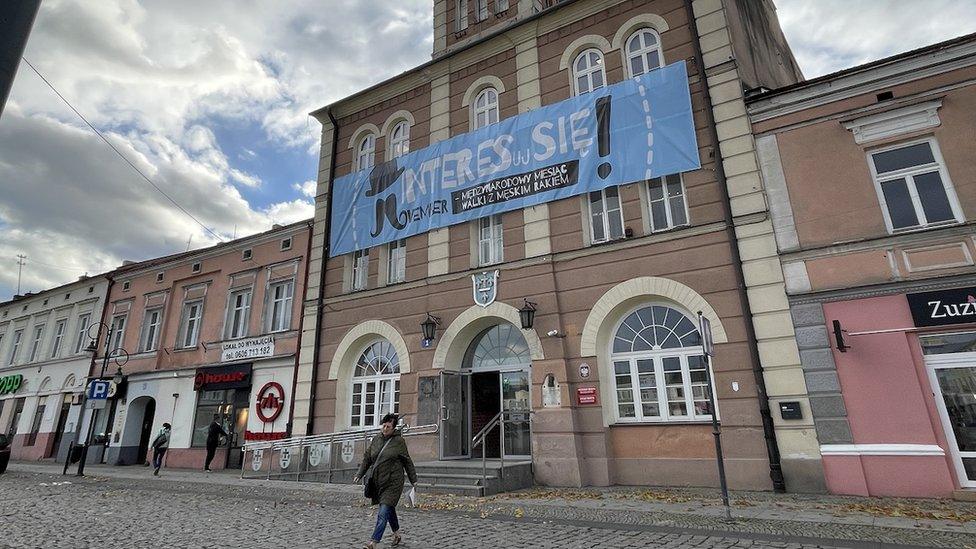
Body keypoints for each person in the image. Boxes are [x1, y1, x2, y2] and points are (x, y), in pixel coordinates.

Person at [353, 413, 417, 549]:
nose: (385, 429)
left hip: (393, 482)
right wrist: (359, 474)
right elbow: (367, 458)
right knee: (388, 509)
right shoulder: (376, 439)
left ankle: (373, 542)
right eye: (384, 426)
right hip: (379, 482)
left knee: (383, 512)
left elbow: (407, 461)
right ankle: (397, 534)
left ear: (394, 428)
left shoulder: (399, 442)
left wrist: (413, 480)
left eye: (388, 427)